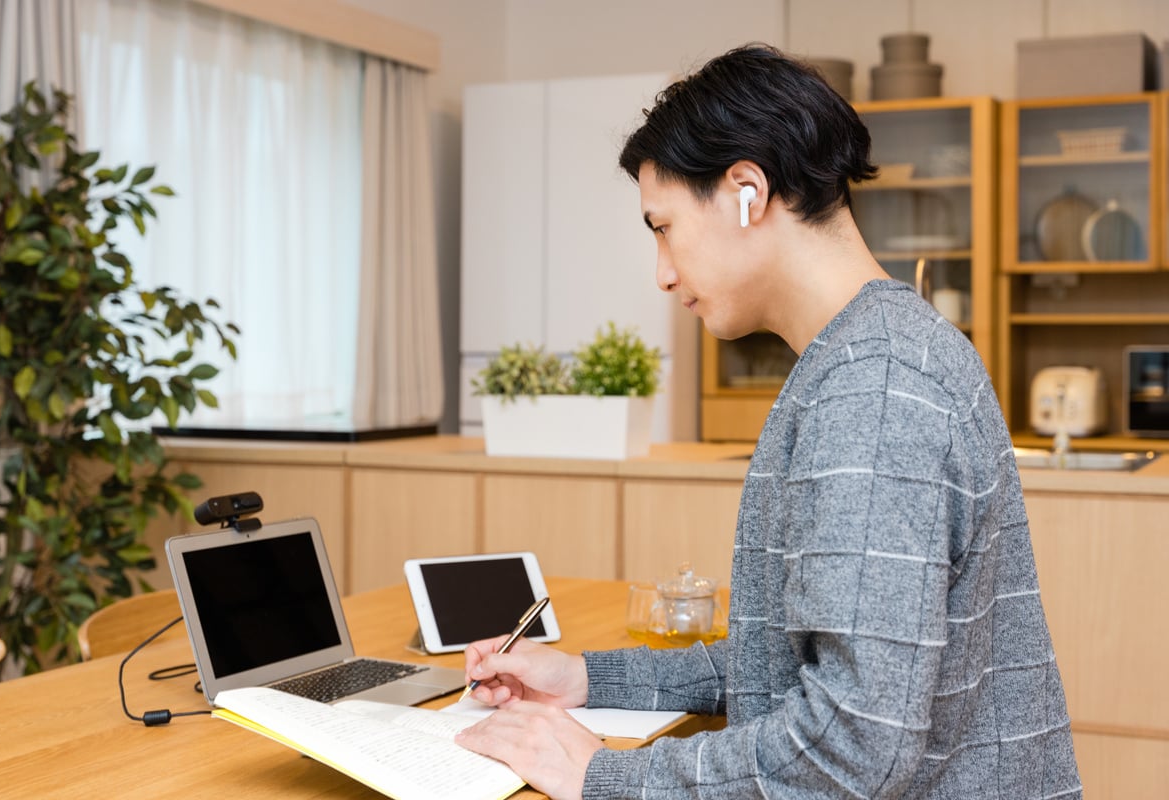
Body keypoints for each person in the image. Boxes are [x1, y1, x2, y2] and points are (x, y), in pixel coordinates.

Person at [455, 43, 1082, 800]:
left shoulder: (872, 390)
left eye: (663, 226)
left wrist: (603, 775)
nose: (662, 271)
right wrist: (587, 676)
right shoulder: (875, 354)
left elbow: (854, 746)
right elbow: (787, 661)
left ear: (747, 190)